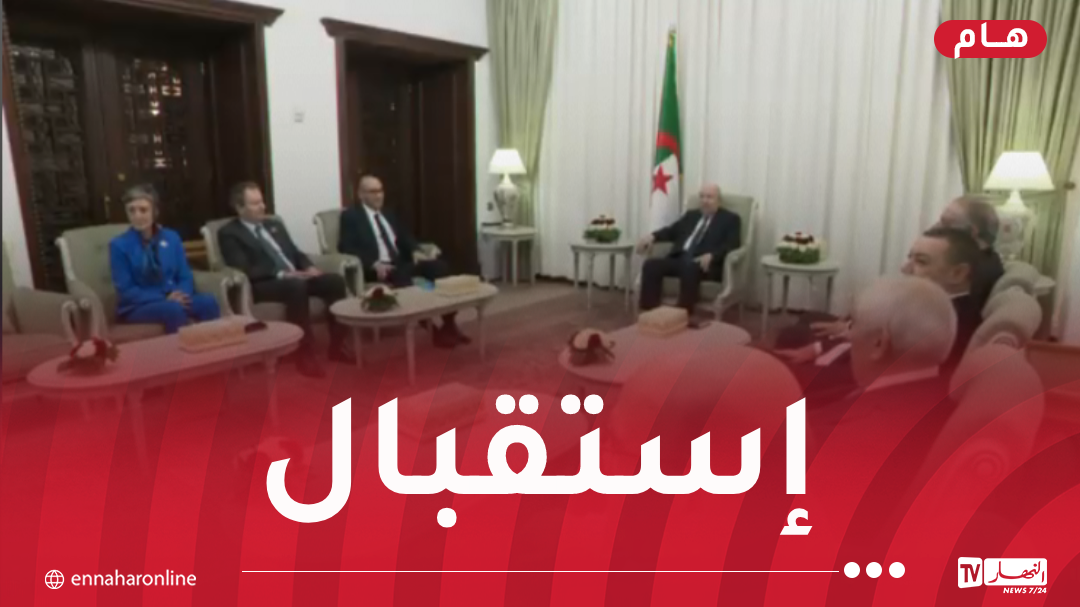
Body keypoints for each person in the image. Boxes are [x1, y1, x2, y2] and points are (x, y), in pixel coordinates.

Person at [775, 228, 982, 394]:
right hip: (853, 366)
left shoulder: (952, 323)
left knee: (775, 373)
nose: (905, 269)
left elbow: (893, 374)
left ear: (958, 273)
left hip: (852, 381)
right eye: (910, 258)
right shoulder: (927, 304)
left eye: (921, 261)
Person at [217, 182, 351, 378]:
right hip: (263, 284)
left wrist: (309, 267)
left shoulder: (274, 225)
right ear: (239, 208)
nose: (262, 207)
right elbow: (242, 267)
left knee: (334, 281)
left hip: (296, 276)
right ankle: (304, 354)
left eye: (262, 201)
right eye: (255, 203)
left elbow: (295, 252)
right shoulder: (229, 233)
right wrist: (281, 274)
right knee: (296, 286)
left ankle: (338, 347)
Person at [337, 174, 468, 349]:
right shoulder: (351, 216)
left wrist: (415, 250)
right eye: (373, 192)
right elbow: (346, 247)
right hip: (380, 268)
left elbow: (405, 237)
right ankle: (433, 330)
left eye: (381, 191)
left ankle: (449, 325)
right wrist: (373, 264)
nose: (379, 195)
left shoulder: (388, 213)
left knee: (441, 268)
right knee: (404, 281)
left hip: (401, 262)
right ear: (361, 194)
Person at [110, 184, 220, 334]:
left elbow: (185, 275)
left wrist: (181, 295)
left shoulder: (171, 237)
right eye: (132, 210)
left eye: (143, 210)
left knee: (208, 302)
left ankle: (213, 346)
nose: (137, 216)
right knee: (173, 309)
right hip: (138, 305)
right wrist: (165, 297)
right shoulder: (119, 245)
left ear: (155, 212)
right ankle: (181, 349)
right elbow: (127, 290)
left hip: (174, 298)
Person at [636, 183, 742, 314]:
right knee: (651, 265)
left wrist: (713, 255)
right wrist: (653, 236)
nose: (705, 201)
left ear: (718, 200)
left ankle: (683, 314)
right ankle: (650, 312)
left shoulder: (730, 219)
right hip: (679, 258)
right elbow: (671, 231)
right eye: (702, 197)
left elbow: (733, 244)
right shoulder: (691, 215)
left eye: (709, 197)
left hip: (703, 264)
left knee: (690, 268)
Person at [937, 194, 1003, 309]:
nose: (937, 228)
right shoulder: (989, 260)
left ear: (972, 232)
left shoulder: (971, 274)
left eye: (946, 223)